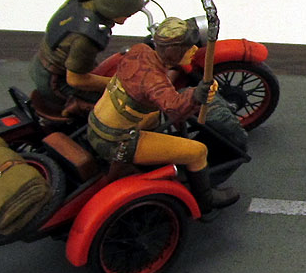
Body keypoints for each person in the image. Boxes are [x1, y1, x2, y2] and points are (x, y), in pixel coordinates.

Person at [85, 17, 239, 215]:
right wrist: (196, 95)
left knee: (154, 117)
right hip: (117, 142)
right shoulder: (154, 81)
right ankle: (205, 201)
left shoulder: (139, 50)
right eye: (188, 47)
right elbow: (175, 109)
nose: (194, 50)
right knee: (198, 151)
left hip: (96, 124)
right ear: (173, 51)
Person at [30, 0, 144, 116]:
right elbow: (76, 80)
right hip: (56, 83)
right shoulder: (86, 37)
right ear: (114, 11)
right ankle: (79, 108)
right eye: (128, 14)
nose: (129, 16)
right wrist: (121, 85)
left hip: (47, 61)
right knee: (127, 104)